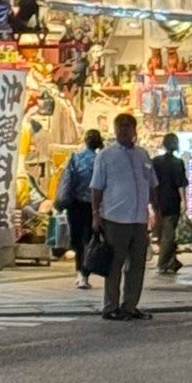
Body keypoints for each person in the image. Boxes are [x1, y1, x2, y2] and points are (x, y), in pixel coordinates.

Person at [89, 112, 154, 321]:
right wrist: (96, 214)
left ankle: (130, 306)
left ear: (135, 130)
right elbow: (96, 188)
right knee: (114, 264)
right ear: (115, 130)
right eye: (121, 126)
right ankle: (110, 307)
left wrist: (154, 211)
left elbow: (152, 183)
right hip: (115, 217)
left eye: (128, 126)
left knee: (137, 265)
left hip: (139, 218)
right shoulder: (106, 156)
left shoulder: (143, 155)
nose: (124, 130)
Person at [56, 128, 103, 288]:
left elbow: (67, 181)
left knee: (77, 239)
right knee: (89, 239)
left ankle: (79, 272)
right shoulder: (100, 160)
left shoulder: (75, 158)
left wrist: (62, 200)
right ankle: (84, 273)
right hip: (94, 206)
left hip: (75, 204)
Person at [149, 130, 188, 279]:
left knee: (160, 232)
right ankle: (163, 263)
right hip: (172, 202)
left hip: (157, 201)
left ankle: (171, 261)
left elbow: (151, 182)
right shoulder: (178, 163)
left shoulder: (155, 161)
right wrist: (184, 201)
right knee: (169, 233)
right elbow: (180, 185)